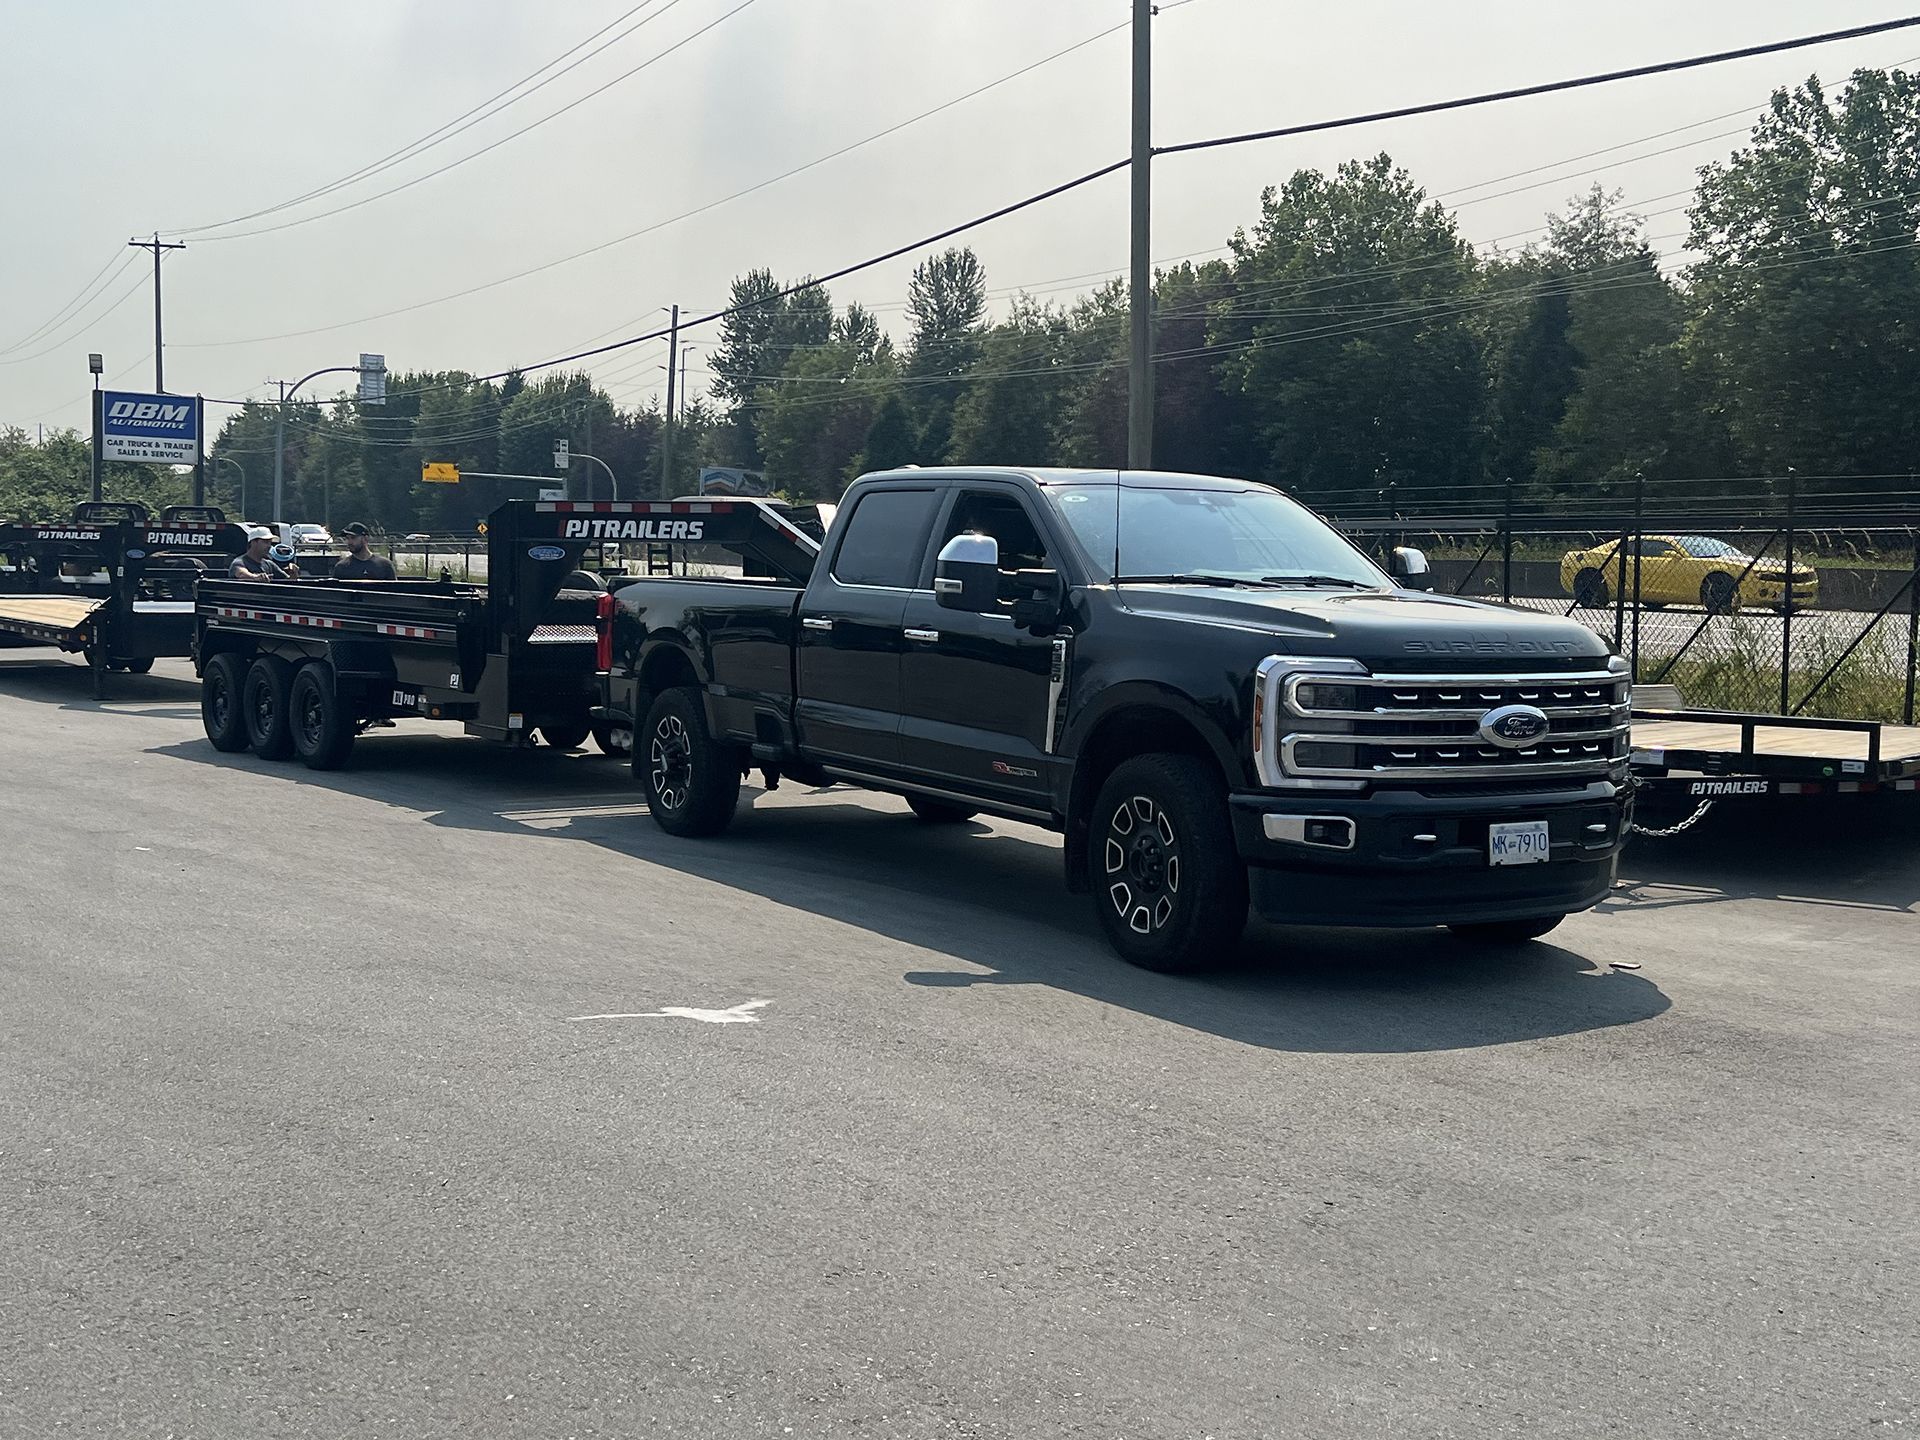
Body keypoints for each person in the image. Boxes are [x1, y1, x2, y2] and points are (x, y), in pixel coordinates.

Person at [331, 522, 397, 580]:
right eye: (347, 538)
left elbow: (394, 591)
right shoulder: (341, 567)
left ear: (365, 538)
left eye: (353, 538)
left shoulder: (385, 565)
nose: (349, 542)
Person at [229, 527, 297, 580]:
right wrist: (255, 577)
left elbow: (288, 581)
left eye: (270, 542)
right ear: (253, 542)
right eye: (265, 542)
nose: (269, 546)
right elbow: (241, 574)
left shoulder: (269, 564)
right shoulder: (239, 563)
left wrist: (293, 572)